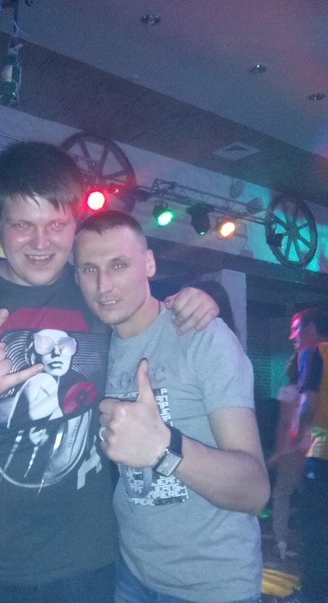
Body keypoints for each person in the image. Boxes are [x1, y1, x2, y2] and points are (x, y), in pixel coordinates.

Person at [0, 141, 219, 603]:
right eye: (22, 225)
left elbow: (150, 311)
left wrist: (194, 301)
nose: (41, 243)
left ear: (74, 224)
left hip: (85, 567)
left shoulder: (95, 290)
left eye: (56, 225)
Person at [74, 209, 270, 603]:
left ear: (148, 263)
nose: (103, 285)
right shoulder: (93, 347)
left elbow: (255, 491)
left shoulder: (200, 335)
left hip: (213, 588)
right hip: (131, 574)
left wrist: (164, 449)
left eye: (118, 265)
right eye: (89, 269)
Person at [283, 308, 328, 603]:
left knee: (316, 530)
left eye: (296, 329)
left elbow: (308, 404)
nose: (292, 337)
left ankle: (313, 594)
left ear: (311, 328)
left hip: (322, 455)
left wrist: (296, 439)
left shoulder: (314, 353)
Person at [267, 354, 310, 561]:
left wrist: (278, 451)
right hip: (313, 449)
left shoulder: (288, 391)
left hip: (291, 450)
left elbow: (284, 423)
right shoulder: (312, 391)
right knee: (309, 496)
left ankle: (281, 543)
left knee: (282, 495)